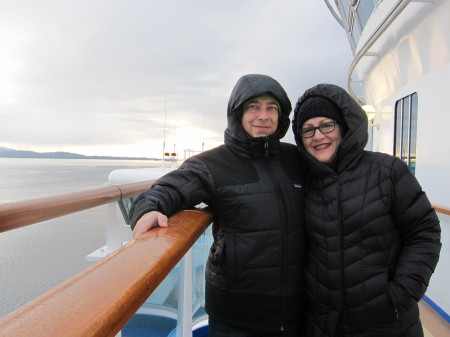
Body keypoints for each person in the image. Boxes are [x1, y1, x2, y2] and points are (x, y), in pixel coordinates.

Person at [130, 74, 305, 336]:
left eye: (272, 108)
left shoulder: (296, 159)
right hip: (236, 314)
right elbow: (167, 189)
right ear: (237, 113)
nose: (263, 115)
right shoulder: (213, 164)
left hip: (297, 311)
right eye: (253, 107)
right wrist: (149, 208)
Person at [291, 83, 441, 337]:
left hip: (386, 322)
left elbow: (424, 233)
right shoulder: (303, 181)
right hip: (324, 323)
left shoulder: (388, 171)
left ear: (344, 127)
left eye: (327, 125)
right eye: (308, 130)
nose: (318, 136)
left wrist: (400, 295)